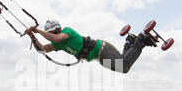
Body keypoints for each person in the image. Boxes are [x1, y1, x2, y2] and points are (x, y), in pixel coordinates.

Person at [25, 19, 157, 73]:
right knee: (124, 65)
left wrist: (38, 31)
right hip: (99, 57)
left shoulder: (66, 32)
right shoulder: (57, 44)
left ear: (57, 29)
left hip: (102, 49)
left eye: (51, 32)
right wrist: (32, 36)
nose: (51, 34)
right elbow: (42, 49)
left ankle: (140, 40)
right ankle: (130, 41)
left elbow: (56, 37)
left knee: (123, 66)